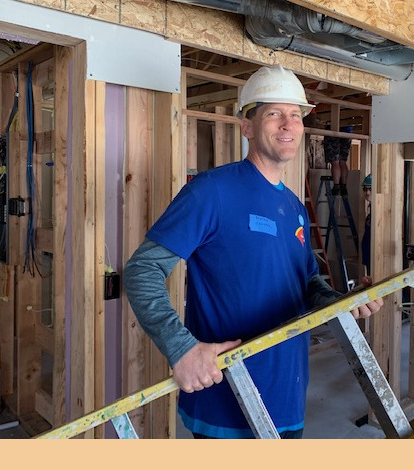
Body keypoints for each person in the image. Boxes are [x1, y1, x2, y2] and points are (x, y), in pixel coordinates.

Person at [123, 64, 384, 439]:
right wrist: (181, 348)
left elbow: (307, 282)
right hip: (227, 401)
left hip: (288, 396)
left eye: (295, 115)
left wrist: (340, 301)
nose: (288, 124)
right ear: (247, 127)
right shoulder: (212, 191)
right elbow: (142, 270)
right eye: (274, 113)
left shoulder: (294, 206)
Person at [323, 126, 352, 195]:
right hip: (347, 132)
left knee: (335, 161)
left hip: (333, 130)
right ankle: (343, 187)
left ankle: (336, 187)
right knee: (343, 161)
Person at [360, 174, 372, 286]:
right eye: (365, 189)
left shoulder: (381, 210)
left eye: (370, 189)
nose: (367, 192)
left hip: (375, 255)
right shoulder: (370, 208)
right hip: (368, 253)